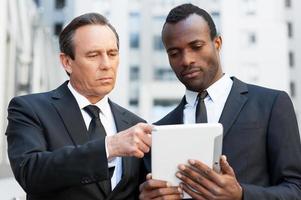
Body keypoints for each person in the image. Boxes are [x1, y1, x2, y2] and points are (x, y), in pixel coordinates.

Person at [139, 3, 301, 200]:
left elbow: (296, 189)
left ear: (217, 43)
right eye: (174, 53)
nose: (186, 59)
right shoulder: (159, 131)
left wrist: (242, 195)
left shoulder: (271, 104)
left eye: (196, 46)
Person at [6, 13, 152, 200]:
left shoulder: (134, 124)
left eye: (112, 54)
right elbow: (30, 173)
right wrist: (109, 146)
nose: (106, 64)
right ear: (67, 62)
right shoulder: (30, 109)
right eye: (93, 55)